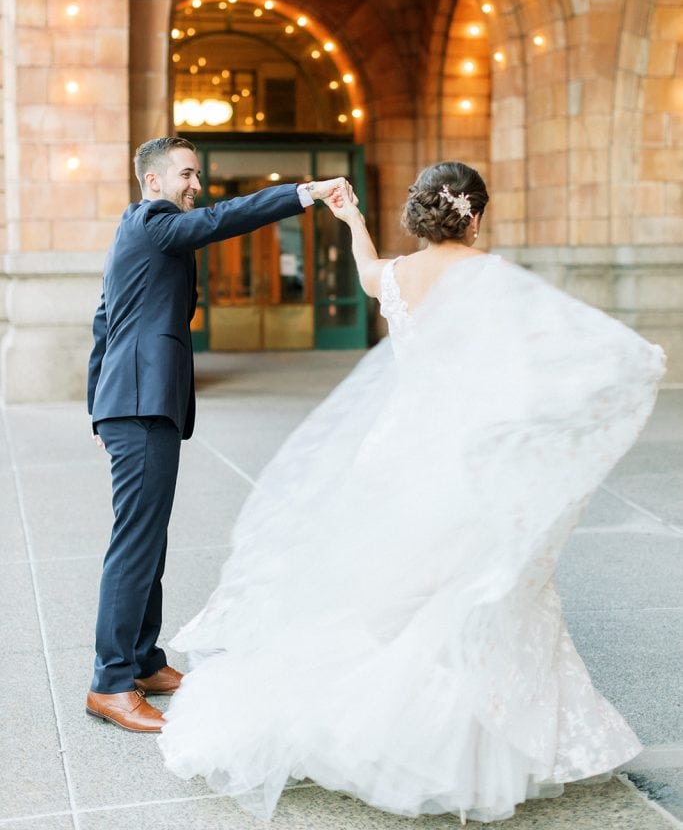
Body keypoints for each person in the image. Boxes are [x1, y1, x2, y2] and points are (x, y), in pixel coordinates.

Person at [159, 161, 665, 823]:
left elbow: (369, 276)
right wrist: (635, 363)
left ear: (421, 216)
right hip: (468, 459)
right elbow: (555, 351)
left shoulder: (396, 276)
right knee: (474, 592)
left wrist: (352, 222)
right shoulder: (492, 276)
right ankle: (457, 742)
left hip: (395, 453)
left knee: (385, 592)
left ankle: (361, 726)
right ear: (475, 215)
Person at [86, 134, 352, 732]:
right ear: (152, 180)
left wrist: (96, 406)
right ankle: (108, 682)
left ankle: (143, 660)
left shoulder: (138, 227)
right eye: (185, 174)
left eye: (197, 175)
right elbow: (225, 218)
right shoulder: (156, 222)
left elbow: (104, 318)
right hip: (140, 403)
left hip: (132, 403)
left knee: (146, 539)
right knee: (134, 544)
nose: (195, 185)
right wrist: (304, 193)